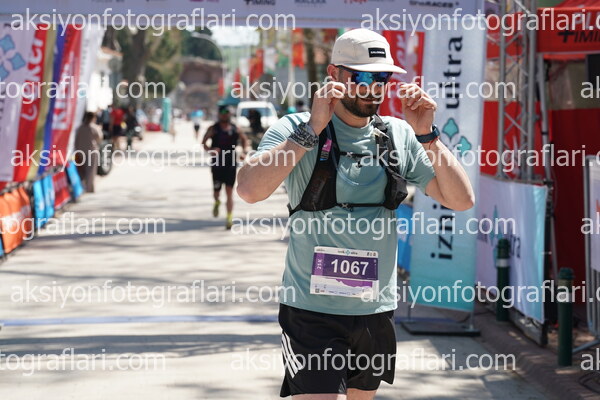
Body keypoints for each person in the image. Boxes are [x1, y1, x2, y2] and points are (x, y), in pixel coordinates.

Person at [237, 29, 474, 399]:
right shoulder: (295, 128)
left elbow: (461, 200)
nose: (372, 88)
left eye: (381, 78)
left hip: (374, 309)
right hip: (311, 310)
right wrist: (312, 130)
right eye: (361, 76)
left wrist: (427, 136)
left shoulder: (398, 135)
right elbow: (249, 190)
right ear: (333, 74)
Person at [202, 106, 250, 229]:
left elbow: (245, 140)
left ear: (230, 114)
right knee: (216, 192)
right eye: (222, 113)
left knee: (229, 192)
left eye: (227, 112)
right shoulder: (213, 128)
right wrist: (211, 149)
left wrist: (244, 152)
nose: (224, 115)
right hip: (217, 165)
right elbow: (204, 143)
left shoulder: (235, 128)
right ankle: (217, 201)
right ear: (219, 114)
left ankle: (229, 218)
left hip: (230, 164)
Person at [74, 112, 103, 193]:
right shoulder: (94, 127)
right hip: (92, 151)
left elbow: (76, 140)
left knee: (82, 170)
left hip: (81, 151)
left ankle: (82, 187)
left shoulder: (80, 127)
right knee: (91, 171)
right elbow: (100, 138)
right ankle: (89, 188)